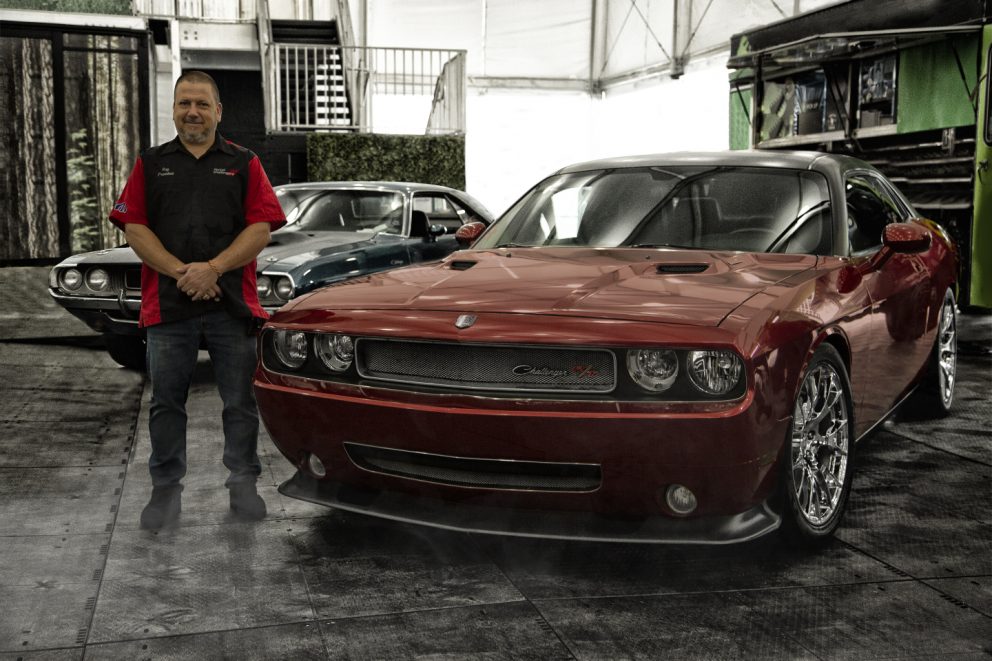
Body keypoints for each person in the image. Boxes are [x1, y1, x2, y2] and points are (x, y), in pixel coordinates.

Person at [109, 70, 286, 530]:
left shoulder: (244, 163)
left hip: (231, 306)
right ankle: (165, 495)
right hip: (169, 306)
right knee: (166, 403)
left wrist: (214, 269)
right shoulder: (150, 163)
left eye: (202, 104)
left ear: (218, 111)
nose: (193, 111)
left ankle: (243, 489)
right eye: (185, 102)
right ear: (173, 109)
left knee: (239, 404)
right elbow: (134, 227)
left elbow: (261, 227)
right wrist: (181, 273)